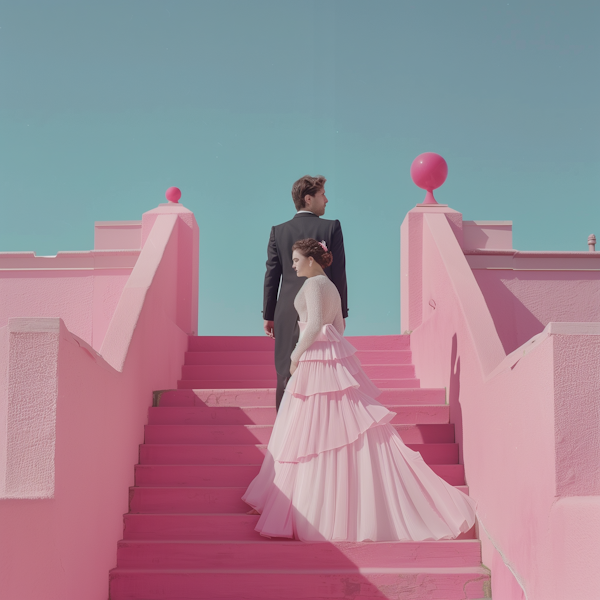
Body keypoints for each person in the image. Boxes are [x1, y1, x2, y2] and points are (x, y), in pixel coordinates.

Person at [243, 239, 477, 542]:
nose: (294, 265)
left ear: (311, 260)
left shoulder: (314, 285)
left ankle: (296, 505)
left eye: (297, 259)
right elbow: (338, 327)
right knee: (326, 429)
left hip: (315, 359)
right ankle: (298, 503)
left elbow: (313, 324)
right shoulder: (332, 288)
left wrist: (296, 354)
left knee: (308, 430)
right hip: (331, 359)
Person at [263, 175, 348, 411]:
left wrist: (268, 315)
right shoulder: (332, 227)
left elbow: (272, 275)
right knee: (324, 378)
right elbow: (339, 273)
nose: (327, 200)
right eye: (322, 195)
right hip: (323, 315)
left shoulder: (278, 231)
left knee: (285, 374)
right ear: (308, 199)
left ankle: (284, 439)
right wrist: (340, 314)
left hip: (287, 312)